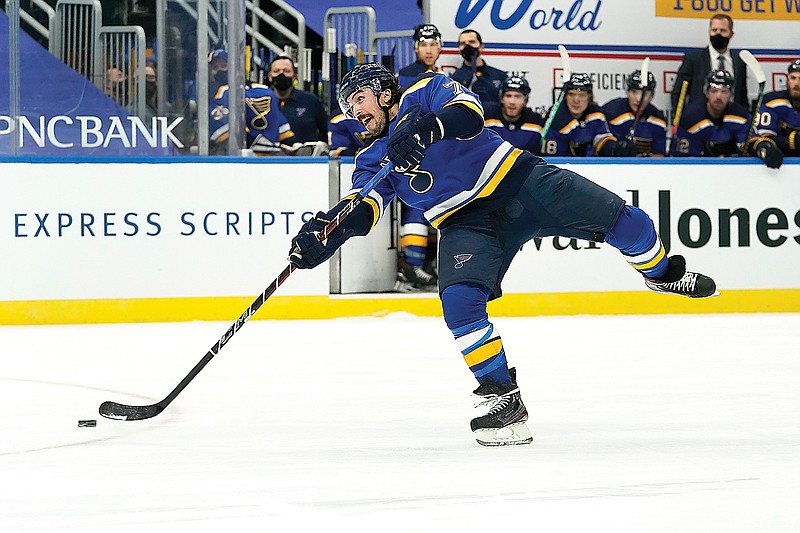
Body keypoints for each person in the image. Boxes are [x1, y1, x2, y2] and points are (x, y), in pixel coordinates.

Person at [287, 63, 717, 447]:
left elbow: (470, 116)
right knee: (458, 303)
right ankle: (505, 400)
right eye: (347, 107)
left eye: (357, 99)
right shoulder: (371, 159)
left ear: (383, 92)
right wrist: (328, 233)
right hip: (466, 224)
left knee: (631, 223)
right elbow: (363, 210)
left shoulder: (427, 91)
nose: (353, 111)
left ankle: (661, 274)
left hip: (522, 180)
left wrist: (423, 129)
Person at [542, 73, 637, 157]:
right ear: (565, 96)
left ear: (589, 97)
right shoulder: (555, 116)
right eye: (571, 94)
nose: (576, 100)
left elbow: (601, 139)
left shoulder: (596, 114)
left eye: (582, 95)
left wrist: (614, 148)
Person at [670, 14, 748, 113]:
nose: (718, 34)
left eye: (723, 31)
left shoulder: (739, 61)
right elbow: (678, 93)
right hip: (699, 120)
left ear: (731, 34)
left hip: (731, 121)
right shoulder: (694, 59)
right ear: (709, 31)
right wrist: (682, 120)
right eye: (714, 30)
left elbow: (742, 96)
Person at [670, 70, 755, 159]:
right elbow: (683, 159)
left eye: (724, 92)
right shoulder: (691, 118)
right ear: (707, 93)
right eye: (714, 91)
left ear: (731, 95)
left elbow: (747, 147)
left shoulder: (741, 116)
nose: (718, 96)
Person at [209, 81, 297, 155]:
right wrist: (254, 144)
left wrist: (295, 146)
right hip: (241, 159)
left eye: (223, 65)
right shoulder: (224, 92)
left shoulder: (265, 92)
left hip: (267, 159)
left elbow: (283, 133)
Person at [602, 70, 668, 157]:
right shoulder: (611, 112)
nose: (638, 99)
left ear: (652, 96)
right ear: (627, 92)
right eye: (634, 92)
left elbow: (659, 155)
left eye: (645, 94)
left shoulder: (659, 121)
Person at [267, 56, 329, 144]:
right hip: (269, 156)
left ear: (294, 76)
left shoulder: (311, 101)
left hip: (305, 156)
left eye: (286, 71)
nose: (281, 74)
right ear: (270, 76)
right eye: (276, 71)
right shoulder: (261, 102)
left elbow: (326, 132)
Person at [753, 59, 800, 164]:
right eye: (793, 78)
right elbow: (762, 139)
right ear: (787, 79)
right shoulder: (771, 101)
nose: (796, 84)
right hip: (780, 163)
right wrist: (792, 141)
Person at [484, 75, 545, 155]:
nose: (512, 102)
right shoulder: (487, 116)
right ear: (501, 98)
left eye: (517, 97)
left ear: (525, 101)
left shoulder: (536, 122)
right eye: (508, 96)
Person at [450, 28, 508, 105]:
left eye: (472, 42)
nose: (467, 46)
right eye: (463, 43)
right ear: (459, 49)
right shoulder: (454, 80)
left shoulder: (500, 76)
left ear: (481, 47)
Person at [397, 24, 444, 90]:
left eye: (433, 45)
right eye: (423, 45)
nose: (428, 51)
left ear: (439, 48)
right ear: (416, 48)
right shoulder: (405, 75)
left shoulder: (441, 74)